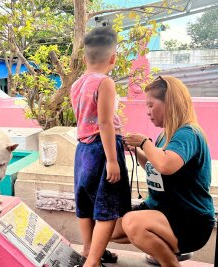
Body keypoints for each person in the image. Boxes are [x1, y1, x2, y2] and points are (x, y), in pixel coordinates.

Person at [113, 76, 215, 267]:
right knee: (108, 228)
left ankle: (170, 263)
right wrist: (136, 150)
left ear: (170, 103)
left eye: (151, 105)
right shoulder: (164, 135)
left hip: (189, 220)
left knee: (132, 223)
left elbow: (167, 165)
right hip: (161, 211)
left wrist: (144, 143)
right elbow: (156, 168)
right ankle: (164, 249)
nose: (148, 112)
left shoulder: (188, 133)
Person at [70, 26, 132, 267]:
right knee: (107, 206)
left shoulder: (76, 84)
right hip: (103, 149)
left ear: (85, 58)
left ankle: (89, 250)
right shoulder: (105, 82)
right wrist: (113, 160)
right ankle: (92, 262)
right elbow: (105, 122)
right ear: (113, 58)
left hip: (82, 150)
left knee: (85, 202)